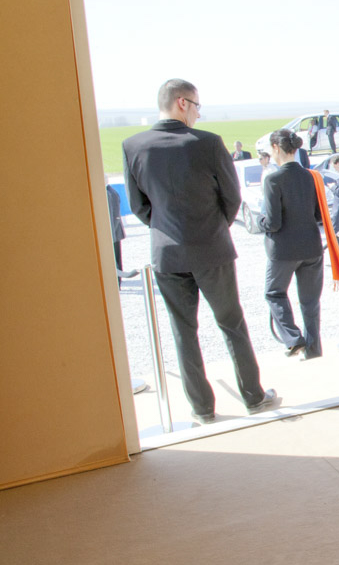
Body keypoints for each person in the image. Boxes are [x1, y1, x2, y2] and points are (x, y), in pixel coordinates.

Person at [122, 79, 279, 423]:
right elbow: (232, 196)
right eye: (196, 105)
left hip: (167, 253)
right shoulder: (207, 143)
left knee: (183, 331)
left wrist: (166, 230)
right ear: (182, 103)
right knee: (232, 324)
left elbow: (138, 205)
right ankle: (253, 396)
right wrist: (213, 228)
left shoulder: (133, 146)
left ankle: (202, 409)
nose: (197, 112)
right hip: (212, 249)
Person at [257, 128, 325, 360]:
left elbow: (273, 223)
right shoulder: (310, 176)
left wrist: (260, 220)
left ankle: (294, 339)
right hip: (311, 247)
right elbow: (318, 215)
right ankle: (314, 351)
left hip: (284, 250)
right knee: (310, 303)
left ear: (276, 148)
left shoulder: (273, 179)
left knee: (274, 293)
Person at [106, 183, 125, 281]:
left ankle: (118, 280)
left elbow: (115, 215)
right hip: (114, 232)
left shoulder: (110, 194)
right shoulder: (110, 192)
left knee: (116, 260)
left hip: (114, 232)